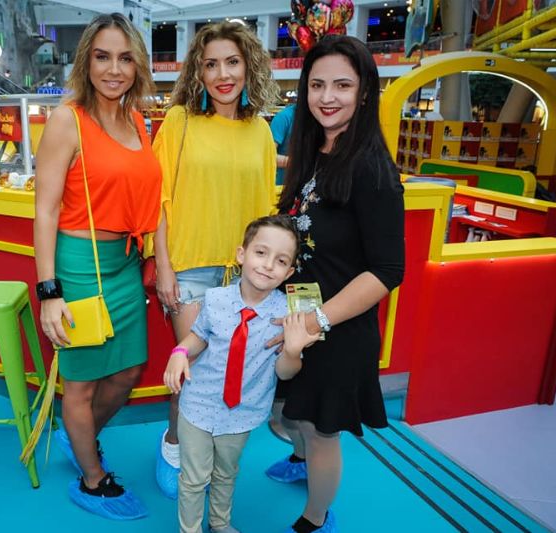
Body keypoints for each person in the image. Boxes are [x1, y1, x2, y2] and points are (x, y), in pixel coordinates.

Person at [272, 36, 405, 533]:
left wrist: (317, 321)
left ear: (365, 91)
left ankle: (315, 518)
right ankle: (300, 461)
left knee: (318, 429)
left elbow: (388, 270)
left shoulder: (371, 168)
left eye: (343, 86)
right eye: (317, 85)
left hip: (337, 327)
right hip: (298, 318)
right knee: (287, 413)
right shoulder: (316, 150)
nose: (327, 97)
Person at [32, 12, 161, 521]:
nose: (113, 69)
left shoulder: (138, 121)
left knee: (127, 370)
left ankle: (79, 436)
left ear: (138, 65)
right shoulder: (67, 119)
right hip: (79, 264)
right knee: (82, 383)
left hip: (125, 263)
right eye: (102, 57)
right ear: (86, 61)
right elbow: (45, 210)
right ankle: (92, 480)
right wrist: (50, 291)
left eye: (125, 58)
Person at [151, 20, 279, 500]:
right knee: (192, 371)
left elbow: (265, 211)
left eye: (232, 62)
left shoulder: (261, 131)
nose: (223, 74)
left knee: (228, 372)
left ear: (248, 66)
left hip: (243, 276)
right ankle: (173, 446)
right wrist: (163, 266)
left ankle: (206, 460)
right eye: (211, 64)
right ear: (198, 73)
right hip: (189, 267)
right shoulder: (179, 122)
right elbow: (158, 200)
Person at [164, 215, 319, 533]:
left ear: (289, 273)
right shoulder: (215, 299)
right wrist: (179, 353)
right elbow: (198, 337)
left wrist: (292, 351)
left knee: (226, 472)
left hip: (242, 412)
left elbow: (285, 373)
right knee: (193, 479)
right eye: (261, 253)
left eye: (281, 261)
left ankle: (220, 523)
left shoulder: (287, 315)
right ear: (241, 254)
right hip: (198, 404)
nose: (268, 265)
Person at [271, 103, 296, 186]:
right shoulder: (283, 117)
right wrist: (298, 162)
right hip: (284, 186)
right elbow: (268, 158)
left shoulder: (320, 118)